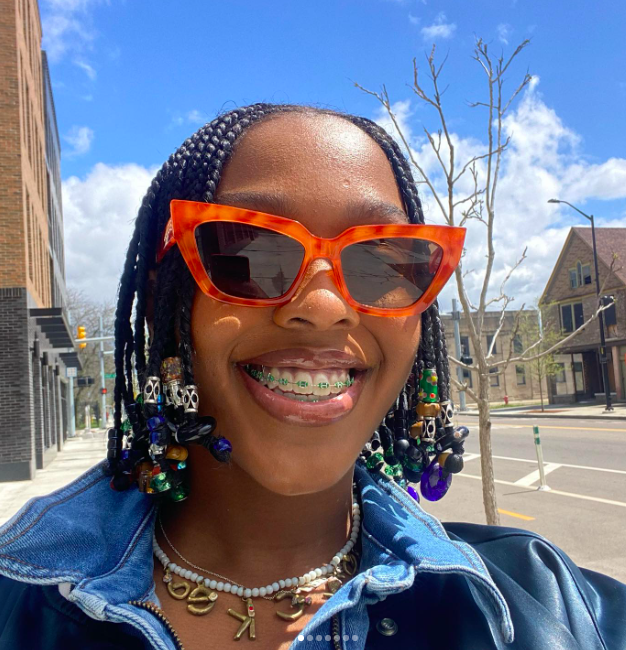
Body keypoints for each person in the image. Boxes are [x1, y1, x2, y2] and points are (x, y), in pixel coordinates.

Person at [0, 104, 624, 650]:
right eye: (250, 254)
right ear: (168, 294)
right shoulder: (16, 602)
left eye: (382, 263)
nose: (325, 306)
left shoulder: (555, 610)